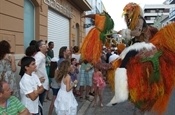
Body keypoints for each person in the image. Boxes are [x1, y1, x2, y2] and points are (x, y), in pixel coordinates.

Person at [48, 46, 70, 115]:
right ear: (64, 52)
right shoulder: (63, 61)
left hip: (57, 83)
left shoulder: (60, 60)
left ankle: (50, 113)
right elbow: (62, 73)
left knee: (55, 99)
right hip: (59, 84)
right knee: (56, 99)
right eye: (67, 50)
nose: (68, 51)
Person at [34, 40, 49, 114]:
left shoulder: (41, 56)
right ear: (40, 47)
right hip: (40, 85)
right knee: (39, 104)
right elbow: (33, 68)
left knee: (40, 104)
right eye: (44, 44)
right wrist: (37, 79)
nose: (46, 45)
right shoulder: (39, 56)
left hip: (42, 84)